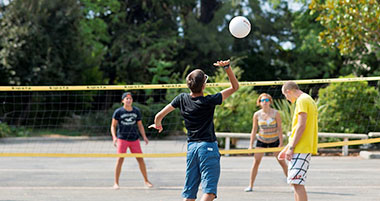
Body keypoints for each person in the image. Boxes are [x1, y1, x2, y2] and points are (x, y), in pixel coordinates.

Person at [149, 59, 239, 201]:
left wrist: (158, 124)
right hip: (207, 147)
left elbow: (158, 116)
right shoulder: (209, 100)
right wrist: (227, 68)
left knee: (189, 194)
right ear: (204, 85)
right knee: (209, 192)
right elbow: (235, 87)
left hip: (192, 148)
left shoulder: (182, 98)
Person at [279, 81, 318, 201]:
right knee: (296, 183)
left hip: (301, 148)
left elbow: (301, 126)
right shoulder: (309, 99)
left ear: (288, 91)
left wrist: (291, 148)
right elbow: (298, 128)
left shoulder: (302, 100)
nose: (286, 98)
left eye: (285, 95)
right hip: (302, 147)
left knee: (297, 184)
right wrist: (287, 148)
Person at [245, 93, 288, 192]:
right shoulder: (257, 114)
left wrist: (281, 143)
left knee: (282, 162)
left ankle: (292, 182)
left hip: (274, 140)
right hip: (262, 140)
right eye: (263, 101)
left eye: (267, 100)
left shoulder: (275, 113)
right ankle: (250, 185)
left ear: (270, 102)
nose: (265, 102)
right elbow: (254, 130)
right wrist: (251, 145)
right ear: (259, 103)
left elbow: (280, 129)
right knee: (256, 162)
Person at [110, 92, 153, 190]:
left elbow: (140, 125)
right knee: (120, 160)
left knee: (140, 160)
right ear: (122, 101)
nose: (128, 100)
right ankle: (116, 182)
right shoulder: (118, 112)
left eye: (130, 98)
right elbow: (113, 125)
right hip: (122, 138)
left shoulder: (136, 111)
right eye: (126, 98)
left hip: (134, 139)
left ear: (132, 100)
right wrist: (114, 137)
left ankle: (146, 180)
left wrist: (144, 137)